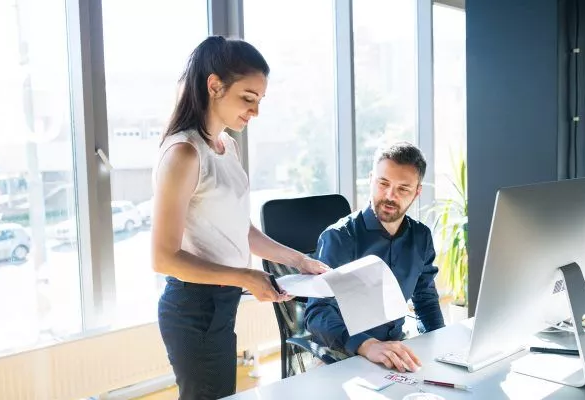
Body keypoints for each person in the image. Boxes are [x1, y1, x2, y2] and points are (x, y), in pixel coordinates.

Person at [151, 36, 329, 400]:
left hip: (220, 300)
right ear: (214, 86)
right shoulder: (184, 154)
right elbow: (163, 257)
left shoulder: (225, 146)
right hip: (193, 306)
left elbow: (240, 228)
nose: (255, 111)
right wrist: (246, 276)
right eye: (248, 98)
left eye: (260, 101)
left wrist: (297, 260)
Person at [304, 142, 445, 373]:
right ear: (371, 179)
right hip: (340, 354)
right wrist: (367, 345)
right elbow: (317, 313)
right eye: (383, 183)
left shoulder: (421, 237)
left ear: (417, 192)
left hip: (393, 351)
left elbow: (425, 300)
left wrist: (441, 345)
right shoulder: (339, 237)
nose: (390, 196)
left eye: (403, 189)